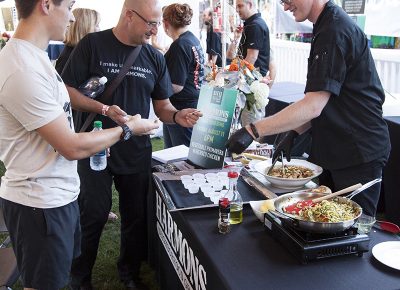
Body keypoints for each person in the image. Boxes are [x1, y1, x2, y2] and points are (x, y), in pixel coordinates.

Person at [0, 1, 160, 289]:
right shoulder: (21, 68)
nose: (73, 15)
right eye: (70, 5)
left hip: (55, 198)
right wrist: (127, 128)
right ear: (46, 5)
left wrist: (100, 133)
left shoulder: (33, 59)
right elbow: (71, 146)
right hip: (39, 203)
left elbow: (64, 129)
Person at [61, 0, 201, 289]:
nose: (154, 30)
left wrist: (178, 115)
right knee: (93, 214)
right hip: (95, 145)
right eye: (150, 23)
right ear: (129, 15)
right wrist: (103, 109)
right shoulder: (92, 44)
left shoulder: (154, 57)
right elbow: (68, 91)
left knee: (135, 216)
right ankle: (80, 277)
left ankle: (129, 273)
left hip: (135, 149)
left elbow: (162, 106)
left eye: (156, 23)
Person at [226, 0, 390, 217]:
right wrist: (294, 132)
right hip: (336, 149)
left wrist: (252, 130)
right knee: (325, 219)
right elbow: (327, 97)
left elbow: (313, 105)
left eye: (287, 0)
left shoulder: (335, 28)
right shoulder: (324, 26)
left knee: (353, 229)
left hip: (357, 151)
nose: (285, 7)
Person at [55, 7, 118, 223]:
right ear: (86, 28)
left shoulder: (70, 53)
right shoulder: (73, 57)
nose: (100, 31)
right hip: (81, 121)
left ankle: (95, 209)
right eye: (96, 26)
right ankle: (92, 211)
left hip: (81, 121)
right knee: (91, 175)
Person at [162, 3, 205, 148]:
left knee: (179, 155)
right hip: (191, 102)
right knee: (174, 153)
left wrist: (154, 91)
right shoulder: (192, 39)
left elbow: (176, 86)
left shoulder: (180, 45)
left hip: (181, 107)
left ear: (165, 23)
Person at [227, 0, 270, 76]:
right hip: (247, 75)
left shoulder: (255, 25)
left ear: (249, 5)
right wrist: (236, 38)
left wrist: (235, 77)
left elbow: (252, 57)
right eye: (236, 7)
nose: (237, 10)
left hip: (252, 79)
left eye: (240, 6)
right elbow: (229, 56)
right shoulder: (250, 24)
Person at [55, 8, 100, 74]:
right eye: (97, 25)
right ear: (84, 27)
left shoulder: (75, 52)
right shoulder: (72, 57)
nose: (99, 29)